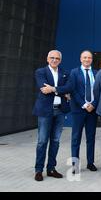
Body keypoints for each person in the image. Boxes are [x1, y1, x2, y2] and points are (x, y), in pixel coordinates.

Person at [42, 50, 98, 172]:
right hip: (79, 109)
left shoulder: (96, 73)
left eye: (89, 58)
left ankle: (90, 162)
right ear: (80, 59)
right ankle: (75, 164)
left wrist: (93, 104)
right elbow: (73, 90)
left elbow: (98, 91)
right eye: (85, 57)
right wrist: (84, 104)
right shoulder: (74, 72)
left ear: (91, 60)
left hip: (92, 111)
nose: (87, 59)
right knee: (76, 138)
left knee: (91, 137)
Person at [33, 50, 70, 181]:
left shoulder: (65, 73)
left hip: (60, 111)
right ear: (47, 59)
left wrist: (54, 89)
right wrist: (61, 91)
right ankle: (38, 170)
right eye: (52, 58)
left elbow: (69, 88)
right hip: (45, 111)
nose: (54, 60)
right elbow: (43, 88)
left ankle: (51, 169)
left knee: (55, 141)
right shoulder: (41, 72)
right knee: (42, 141)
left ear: (60, 60)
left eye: (57, 58)